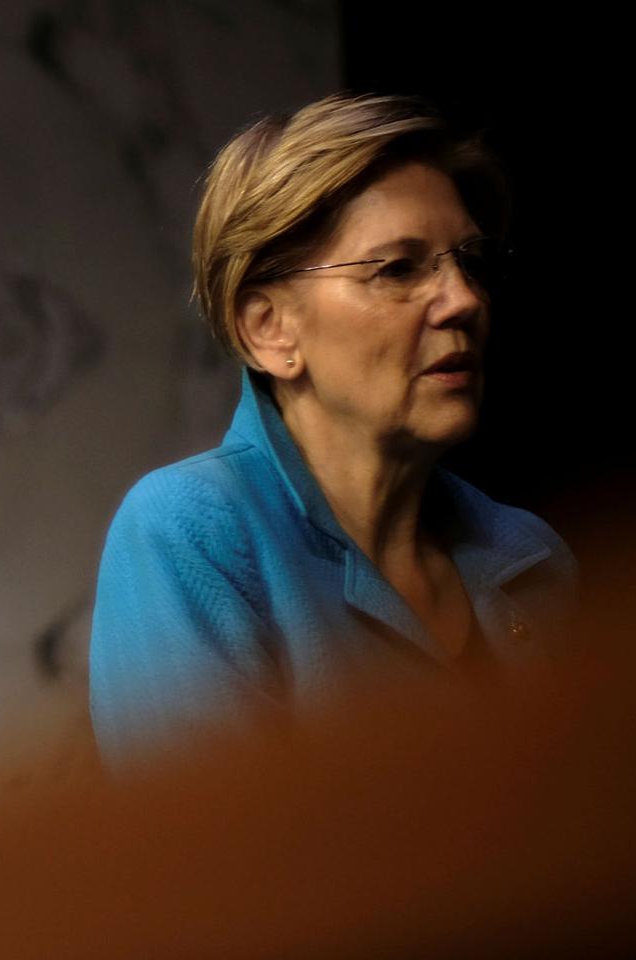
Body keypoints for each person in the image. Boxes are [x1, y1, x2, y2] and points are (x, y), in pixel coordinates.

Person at [89, 93, 578, 769]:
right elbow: (211, 862)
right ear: (268, 329)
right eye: (399, 269)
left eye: (469, 261)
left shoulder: (532, 557)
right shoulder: (194, 533)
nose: (464, 299)